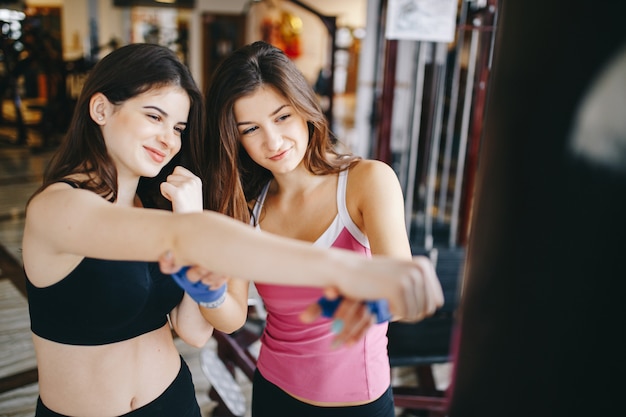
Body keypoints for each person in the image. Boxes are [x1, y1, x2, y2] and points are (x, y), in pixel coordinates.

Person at [21, 42, 443, 417]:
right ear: (100, 109)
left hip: (177, 401)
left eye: (179, 128)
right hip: (271, 390)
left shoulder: (156, 206)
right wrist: (345, 270)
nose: (169, 139)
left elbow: (193, 330)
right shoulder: (59, 208)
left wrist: (199, 262)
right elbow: (194, 249)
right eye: (154, 116)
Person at [201, 40, 441, 417]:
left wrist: (363, 301)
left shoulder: (367, 181)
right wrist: (208, 291)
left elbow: (399, 295)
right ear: (235, 139)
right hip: (274, 393)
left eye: (282, 117)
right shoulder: (245, 209)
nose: (273, 141)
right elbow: (232, 317)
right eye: (251, 129)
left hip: (357, 402)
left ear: (304, 108)